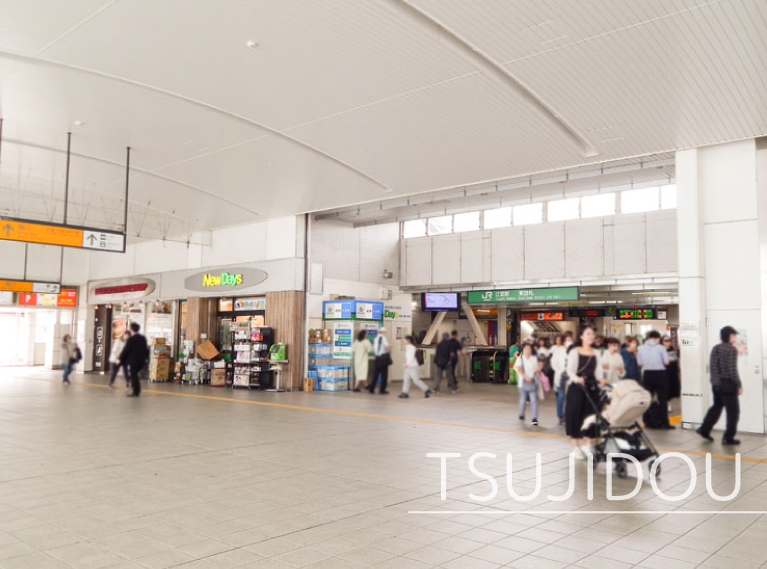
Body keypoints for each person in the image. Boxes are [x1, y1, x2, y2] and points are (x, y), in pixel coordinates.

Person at [565, 326, 605, 459]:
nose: (591, 336)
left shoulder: (597, 352)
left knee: (591, 416)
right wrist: (577, 379)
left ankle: (587, 444)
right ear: (581, 336)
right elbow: (570, 370)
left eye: (592, 334)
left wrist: (601, 380)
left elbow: (598, 371)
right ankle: (576, 447)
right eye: (588, 334)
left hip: (592, 388)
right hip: (577, 388)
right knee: (575, 415)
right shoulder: (574, 351)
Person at [697, 326, 742, 445]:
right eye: (734, 335)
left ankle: (704, 428)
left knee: (717, 407)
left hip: (716, 385)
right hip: (728, 385)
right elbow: (732, 370)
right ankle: (728, 438)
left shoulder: (715, 348)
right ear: (730, 336)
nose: (735, 338)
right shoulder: (731, 349)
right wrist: (739, 384)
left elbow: (712, 368)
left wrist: (715, 382)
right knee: (733, 412)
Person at [638, 330, 673, 429]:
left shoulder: (640, 348)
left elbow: (639, 364)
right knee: (663, 399)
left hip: (647, 374)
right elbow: (666, 362)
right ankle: (665, 423)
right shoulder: (661, 348)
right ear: (658, 338)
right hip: (660, 374)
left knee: (648, 399)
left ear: (648, 338)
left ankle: (647, 421)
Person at [120, 322, 149, 397]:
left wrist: (121, 358)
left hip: (133, 360)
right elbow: (146, 349)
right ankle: (137, 390)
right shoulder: (143, 338)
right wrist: (146, 358)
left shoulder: (131, 339)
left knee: (134, 376)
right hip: (142, 360)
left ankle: (136, 391)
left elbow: (126, 349)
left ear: (132, 329)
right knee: (135, 375)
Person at [514, 342, 540, 426]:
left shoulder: (534, 358)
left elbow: (536, 368)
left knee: (534, 400)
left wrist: (536, 370)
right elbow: (518, 369)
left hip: (532, 382)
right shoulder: (520, 358)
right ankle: (521, 413)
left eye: (529, 348)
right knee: (523, 399)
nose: (528, 350)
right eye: (526, 349)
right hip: (522, 383)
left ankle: (534, 418)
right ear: (523, 350)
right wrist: (525, 377)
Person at [549, 334, 568, 425]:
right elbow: (553, 363)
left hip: (570, 377)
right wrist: (560, 371)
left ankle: (567, 415)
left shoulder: (573, 351)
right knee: (560, 396)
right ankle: (560, 415)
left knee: (569, 398)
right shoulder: (557, 351)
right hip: (560, 377)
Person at [368, 327, 392, 395]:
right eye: (385, 332)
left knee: (375, 374)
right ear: (383, 332)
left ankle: (371, 389)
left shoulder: (376, 338)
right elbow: (387, 346)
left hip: (377, 358)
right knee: (384, 374)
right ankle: (382, 390)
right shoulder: (383, 338)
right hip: (383, 358)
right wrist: (390, 346)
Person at [663, 335, 681, 410]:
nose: (668, 342)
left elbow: (676, 361)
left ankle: (668, 404)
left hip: (672, 373)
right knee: (665, 390)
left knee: (671, 390)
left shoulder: (672, 349)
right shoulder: (660, 350)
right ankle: (666, 405)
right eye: (665, 340)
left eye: (669, 340)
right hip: (663, 373)